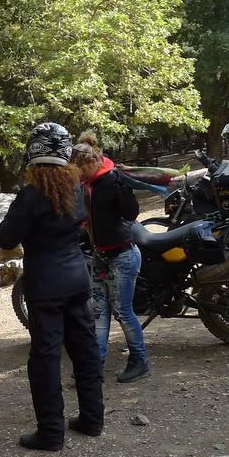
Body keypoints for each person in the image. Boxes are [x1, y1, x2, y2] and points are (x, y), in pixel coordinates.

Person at [0, 122, 104, 451]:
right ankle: (93, 419)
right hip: (77, 279)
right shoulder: (76, 190)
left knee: (45, 358)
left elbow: (5, 239)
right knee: (84, 350)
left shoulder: (30, 196)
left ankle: (51, 432)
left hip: (44, 284)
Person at [70, 130, 150, 383]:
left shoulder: (112, 180)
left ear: (91, 163)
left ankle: (140, 361)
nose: (79, 176)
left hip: (124, 256)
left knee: (123, 312)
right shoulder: (89, 185)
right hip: (101, 257)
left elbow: (131, 213)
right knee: (98, 314)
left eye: (80, 171)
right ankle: (95, 367)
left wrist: (124, 188)